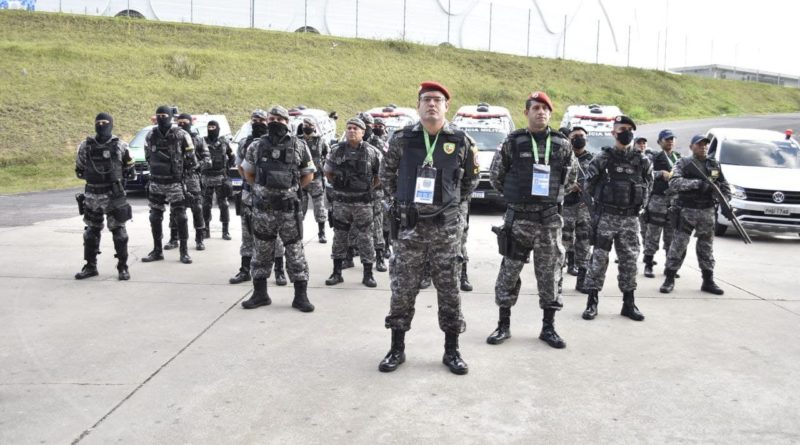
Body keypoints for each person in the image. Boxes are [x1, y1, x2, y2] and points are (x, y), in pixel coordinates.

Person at [378, 81, 479, 375]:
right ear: (418, 105)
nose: (431, 104)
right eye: (426, 100)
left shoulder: (461, 141)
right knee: (402, 289)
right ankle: (396, 348)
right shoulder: (402, 139)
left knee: (449, 290)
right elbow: (386, 175)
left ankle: (452, 350)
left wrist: (452, 208)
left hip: (446, 231)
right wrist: (401, 205)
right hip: (410, 230)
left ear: (447, 106)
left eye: (437, 100)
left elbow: (470, 181)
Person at [486, 91, 577, 349]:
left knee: (550, 275)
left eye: (545, 108)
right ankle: (503, 325)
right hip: (518, 221)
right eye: (536, 108)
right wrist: (517, 195)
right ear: (526, 113)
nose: (541, 112)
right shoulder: (512, 142)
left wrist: (548, 197)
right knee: (509, 273)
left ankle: (548, 328)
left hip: (548, 222)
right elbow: (496, 176)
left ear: (551, 113)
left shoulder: (562, 144)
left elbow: (571, 180)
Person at [240, 106, 315, 312]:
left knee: (295, 252)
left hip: (289, 211)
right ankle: (260, 294)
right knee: (262, 251)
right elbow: (248, 173)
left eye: (280, 119)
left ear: (287, 122)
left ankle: (300, 296)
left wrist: (290, 190)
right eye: (271, 118)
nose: (275, 122)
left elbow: (308, 174)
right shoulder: (256, 146)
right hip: (264, 210)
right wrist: (263, 190)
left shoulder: (299, 145)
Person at [581, 115, 653, 321]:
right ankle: (592, 302)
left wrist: (639, 208)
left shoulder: (642, 160)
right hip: (606, 217)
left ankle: (629, 304)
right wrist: (598, 208)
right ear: (613, 133)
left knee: (630, 261)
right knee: (599, 260)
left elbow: (649, 185)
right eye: (622, 129)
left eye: (630, 129)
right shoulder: (602, 159)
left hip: (630, 220)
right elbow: (588, 185)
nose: (626, 132)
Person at [659, 135, 729, 295]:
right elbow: (674, 182)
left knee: (706, 247)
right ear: (691, 147)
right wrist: (698, 184)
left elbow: (724, 185)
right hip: (687, 210)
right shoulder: (684, 163)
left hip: (707, 211)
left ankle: (708, 280)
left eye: (705, 145)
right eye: (699, 145)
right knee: (678, 245)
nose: (703, 147)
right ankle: (669, 278)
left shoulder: (713, 165)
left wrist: (726, 200)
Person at [74, 112, 135, 281]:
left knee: (119, 233)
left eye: (105, 122)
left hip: (114, 195)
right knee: (90, 233)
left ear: (111, 124)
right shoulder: (85, 146)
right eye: (98, 122)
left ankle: (123, 267)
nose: (101, 125)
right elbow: (79, 169)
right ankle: (90, 266)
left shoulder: (121, 146)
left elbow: (130, 171)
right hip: (92, 195)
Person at [230, 110, 287, 286]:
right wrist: (254, 185)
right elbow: (241, 167)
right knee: (247, 234)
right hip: (249, 195)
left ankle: (279, 270)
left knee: (275, 235)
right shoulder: (246, 143)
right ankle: (245, 270)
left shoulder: (278, 144)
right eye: (255, 120)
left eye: (262, 120)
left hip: (272, 198)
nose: (258, 123)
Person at [324, 117, 382, 288]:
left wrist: (367, 188)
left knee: (366, 238)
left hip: (363, 203)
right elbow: (328, 172)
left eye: (355, 128)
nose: (351, 131)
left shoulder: (372, 152)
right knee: (340, 236)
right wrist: (340, 186)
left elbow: (379, 176)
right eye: (349, 127)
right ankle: (336, 273)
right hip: (342, 202)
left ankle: (368, 274)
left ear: (363, 132)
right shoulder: (336, 150)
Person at [142, 105, 196, 264]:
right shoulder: (151, 135)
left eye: (164, 115)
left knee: (180, 216)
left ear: (171, 117)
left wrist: (183, 176)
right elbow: (147, 156)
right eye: (158, 115)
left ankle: (184, 251)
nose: (161, 118)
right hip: (157, 181)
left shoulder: (181, 134)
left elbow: (191, 158)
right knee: (154, 216)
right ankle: (157, 250)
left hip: (175, 182)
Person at [643, 129, 681, 278]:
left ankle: (669, 266)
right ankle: (648, 264)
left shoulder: (679, 158)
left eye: (672, 139)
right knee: (653, 234)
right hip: (657, 200)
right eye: (666, 139)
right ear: (659, 142)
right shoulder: (654, 157)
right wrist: (660, 174)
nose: (670, 141)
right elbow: (645, 173)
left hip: (674, 201)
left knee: (671, 235)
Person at [561, 126, 594, 293]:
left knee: (584, 243)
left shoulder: (594, 159)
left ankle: (582, 280)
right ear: (569, 139)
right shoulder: (563, 157)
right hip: (565, 206)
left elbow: (599, 182)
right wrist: (569, 186)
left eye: (582, 136)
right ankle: (557, 281)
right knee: (562, 242)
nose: (579, 138)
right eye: (575, 136)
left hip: (584, 208)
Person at [176, 113, 210, 251]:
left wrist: (196, 166)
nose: (182, 124)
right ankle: (174, 238)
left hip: (192, 177)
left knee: (197, 208)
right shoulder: (173, 138)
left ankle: (199, 238)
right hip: (177, 177)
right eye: (179, 122)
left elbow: (208, 160)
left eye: (185, 122)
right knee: (176, 209)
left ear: (191, 123)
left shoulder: (199, 139)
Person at [201, 120, 235, 240]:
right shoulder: (202, 141)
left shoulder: (224, 142)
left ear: (218, 128)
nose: (211, 129)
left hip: (221, 177)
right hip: (206, 177)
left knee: (224, 205)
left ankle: (225, 231)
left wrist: (227, 168)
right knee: (205, 205)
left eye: (213, 127)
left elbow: (232, 156)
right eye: (209, 127)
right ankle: (206, 229)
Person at [298, 117, 330, 244]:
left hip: (316, 178)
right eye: (305, 124)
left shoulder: (320, 141)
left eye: (310, 125)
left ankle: (321, 233)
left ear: (314, 126)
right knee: (300, 208)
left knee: (319, 207)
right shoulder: (297, 140)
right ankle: (298, 234)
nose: (307, 126)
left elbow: (328, 155)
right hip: (301, 178)